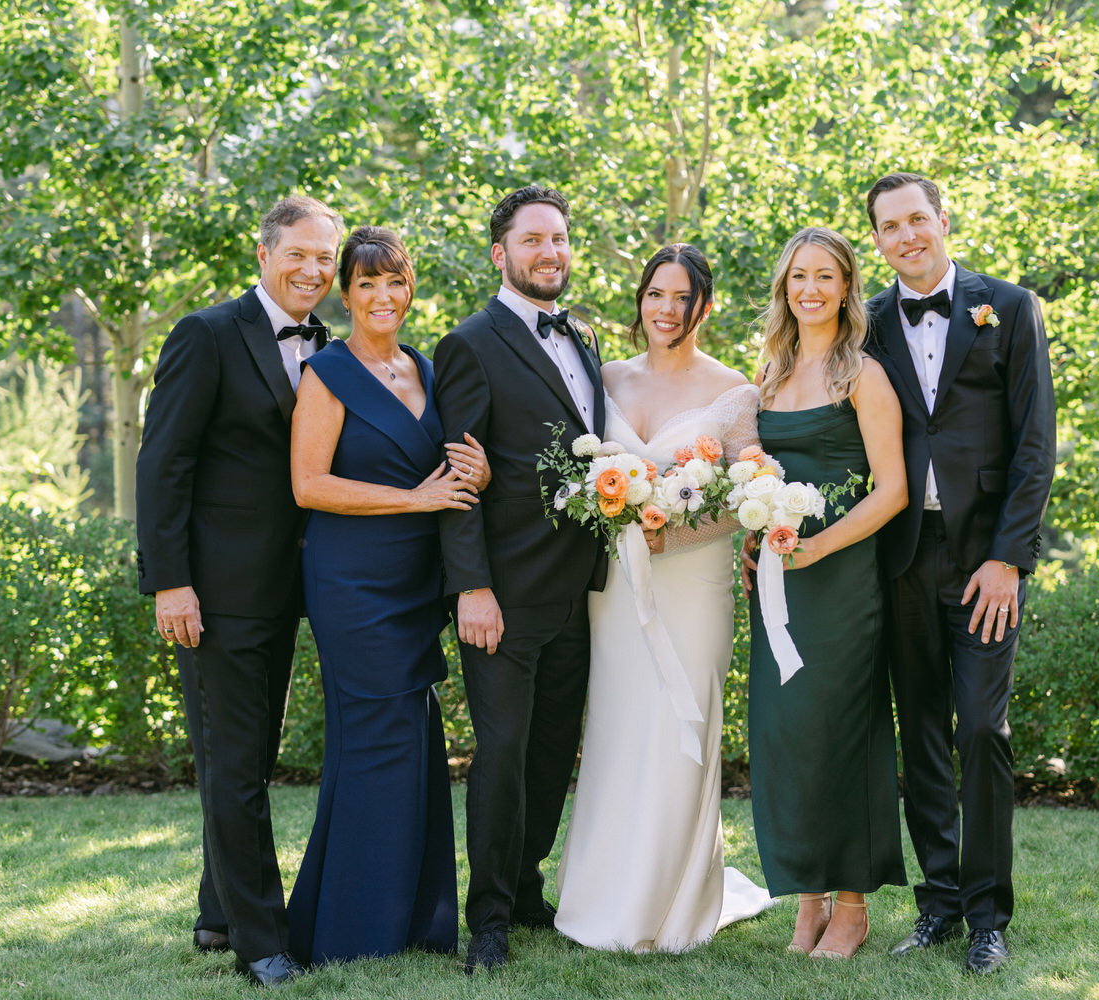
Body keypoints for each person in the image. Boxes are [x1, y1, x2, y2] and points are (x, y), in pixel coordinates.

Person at [136, 195, 341, 988]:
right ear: (263, 256)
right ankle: (263, 938)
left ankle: (217, 915)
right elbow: (164, 465)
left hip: (288, 589)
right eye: (299, 254)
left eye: (325, 258)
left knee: (245, 757)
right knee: (231, 761)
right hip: (214, 594)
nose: (313, 270)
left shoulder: (324, 343)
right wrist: (170, 583)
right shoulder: (207, 335)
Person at [553, 244, 777, 952]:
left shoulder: (733, 390)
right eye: (656, 294)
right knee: (619, 729)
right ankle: (605, 895)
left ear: (703, 306)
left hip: (694, 585)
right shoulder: (603, 379)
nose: (666, 309)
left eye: (682, 297)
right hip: (615, 586)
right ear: (639, 299)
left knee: (683, 729)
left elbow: (744, 494)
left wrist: (663, 536)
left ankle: (675, 907)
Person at [863, 172, 1055, 975]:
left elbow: (1034, 445)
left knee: (980, 729)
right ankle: (939, 903)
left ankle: (988, 914)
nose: (907, 236)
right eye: (889, 227)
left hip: (986, 561)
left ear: (943, 221)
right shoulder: (865, 321)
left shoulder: (1009, 308)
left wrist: (1009, 558)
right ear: (876, 239)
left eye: (917, 220)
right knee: (923, 740)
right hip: (901, 557)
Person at [285, 226, 491, 965]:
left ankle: (412, 918)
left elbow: (450, 476)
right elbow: (309, 485)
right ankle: (355, 934)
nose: (382, 297)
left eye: (394, 282)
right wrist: (416, 502)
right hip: (353, 584)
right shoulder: (327, 373)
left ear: (410, 289)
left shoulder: (428, 370)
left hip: (414, 587)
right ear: (346, 294)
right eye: (366, 284)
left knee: (413, 742)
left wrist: (478, 478)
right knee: (379, 745)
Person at [432, 185, 609, 974]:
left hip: (579, 588)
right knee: (501, 754)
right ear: (500, 253)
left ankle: (530, 885)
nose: (551, 253)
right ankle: (490, 920)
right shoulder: (470, 342)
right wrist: (471, 586)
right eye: (533, 240)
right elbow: (458, 478)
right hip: (502, 594)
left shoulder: (583, 336)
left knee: (551, 750)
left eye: (561, 239)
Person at [741, 226, 908, 961]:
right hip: (778, 584)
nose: (810, 289)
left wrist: (818, 548)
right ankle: (806, 901)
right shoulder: (769, 375)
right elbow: (755, 479)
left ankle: (851, 907)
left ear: (847, 288)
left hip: (839, 583)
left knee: (841, 731)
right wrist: (757, 537)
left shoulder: (863, 376)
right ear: (785, 287)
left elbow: (894, 490)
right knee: (789, 737)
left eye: (825, 277)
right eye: (798, 276)